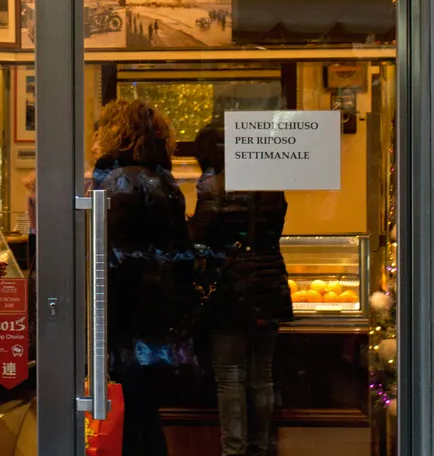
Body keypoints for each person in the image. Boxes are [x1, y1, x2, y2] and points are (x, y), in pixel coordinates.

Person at [89, 99, 195, 456]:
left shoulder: (120, 180)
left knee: (131, 415)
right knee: (145, 412)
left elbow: (111, 254)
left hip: (126, 314)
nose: (94, 138)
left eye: (99, 129)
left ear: (116, 132)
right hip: (157, 312)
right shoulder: (163, 178)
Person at [187, 123, 291, 456]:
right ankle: (259, 449)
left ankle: (234, 450)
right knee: (262, 374)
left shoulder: (213, 186)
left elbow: (198, 237)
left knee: (230, 375)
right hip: (270, 285)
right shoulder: (273, 186)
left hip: (231, 288)